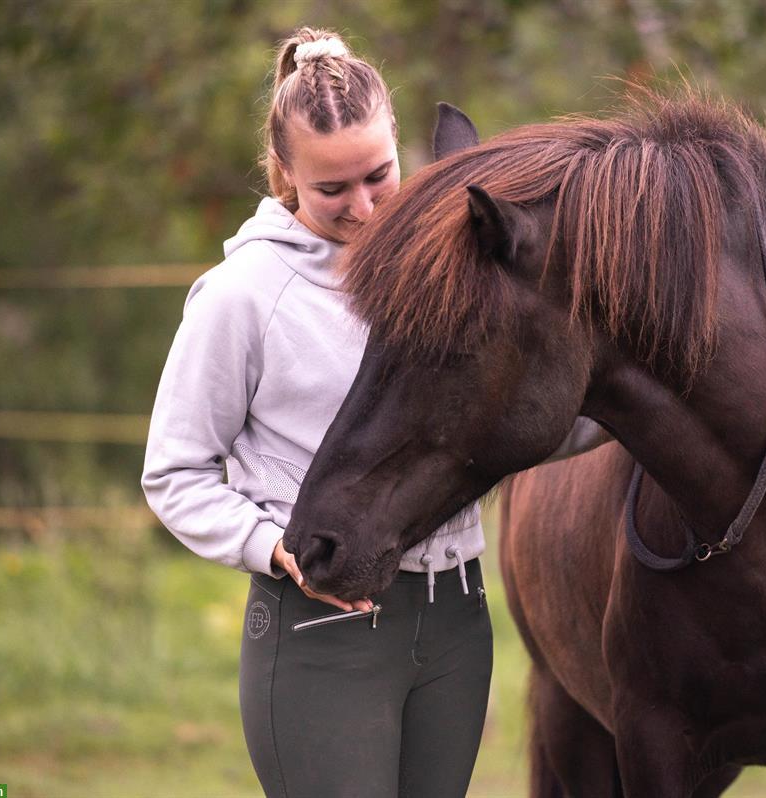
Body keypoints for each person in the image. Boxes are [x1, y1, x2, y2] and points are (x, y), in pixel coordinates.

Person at [142, 26, 607, 798]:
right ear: (285, 173)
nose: (362, 208)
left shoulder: (446, 267)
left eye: (378, 177)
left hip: (458, 622)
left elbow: (491, 420)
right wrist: (273, 546)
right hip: (322, 628)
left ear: (400, 147)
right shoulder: (243, 295)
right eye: (332, 190)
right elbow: (174, 473)